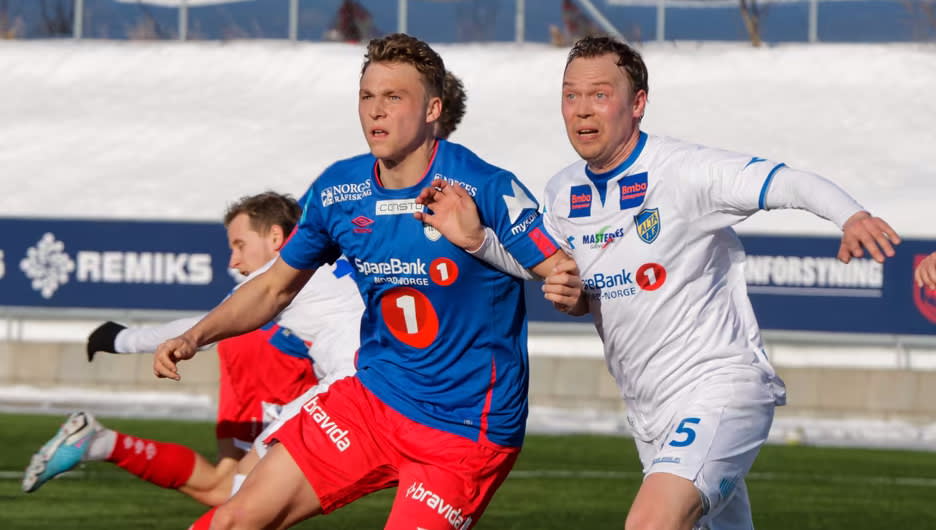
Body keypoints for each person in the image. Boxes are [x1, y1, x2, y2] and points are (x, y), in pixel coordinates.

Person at [416, 35, 901, 530]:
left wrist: (852, 216)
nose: (582, 110)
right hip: (649, 413)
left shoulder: (684, 171)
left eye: (600, 94)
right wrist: (479, 241)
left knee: (651, 522)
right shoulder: (563, 191)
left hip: (718, 389)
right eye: (570, 95)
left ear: (638, 103)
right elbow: (557, 270)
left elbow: (786, 181)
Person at [154, 33, 569, 529]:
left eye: (394, 97)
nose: (376, 111)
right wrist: (195, 336)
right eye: (367, 96)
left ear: (433, 109)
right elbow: (272, 287)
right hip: (372, 400)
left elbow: (563, 274)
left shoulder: (485, 186)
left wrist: (540, 271)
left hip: (463, 429)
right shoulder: (339, 190)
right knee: (233, 519)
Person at [22, 192, 363, 507]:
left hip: (310, 368)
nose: (233, 261)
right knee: (239, 488)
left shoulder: (281, 275)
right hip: (349, 371)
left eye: (240, 245)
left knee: (239, 491)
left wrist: (120, 339)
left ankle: (102, 443)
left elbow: (205, 327)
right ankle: (102, 443)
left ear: (275, 237)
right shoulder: (338, 250)